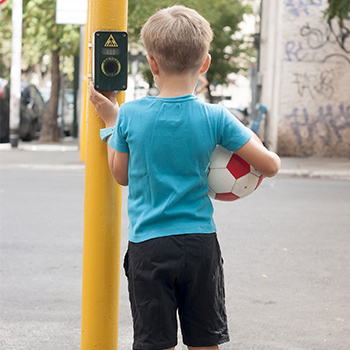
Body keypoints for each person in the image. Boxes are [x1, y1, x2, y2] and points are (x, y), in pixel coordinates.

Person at [89, 5, 281, 350]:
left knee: (154, 342)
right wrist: (249, 139)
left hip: (149, 246)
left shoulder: (130, 115)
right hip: (199, 244)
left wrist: (109, 122)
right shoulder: (216, 117)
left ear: (153, 63)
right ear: (205, 63)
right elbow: (270, 165)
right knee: (205, 340)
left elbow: (120, 175)